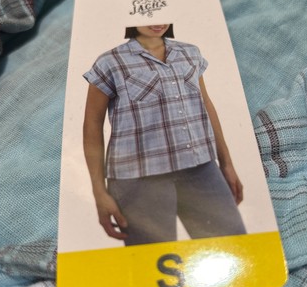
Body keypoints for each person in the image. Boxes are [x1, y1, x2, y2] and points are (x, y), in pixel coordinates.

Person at [83, 24, 247, 246]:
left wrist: (226, 164)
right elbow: (92, 126)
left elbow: (206, 105)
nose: (157, 22)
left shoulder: (189, 53)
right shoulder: (110, 62)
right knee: (153, 262)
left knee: (234, 248)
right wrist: (99, 192)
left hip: (201, 168)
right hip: (139, 181)